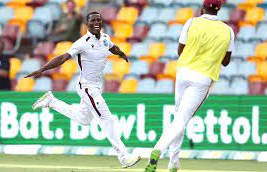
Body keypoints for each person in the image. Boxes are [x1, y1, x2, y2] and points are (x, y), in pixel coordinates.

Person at [25, 11, 141, 168]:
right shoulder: (82, 42)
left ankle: (52, 102)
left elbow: (113, 47)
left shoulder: (105, 38)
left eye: (99, 20)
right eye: (93, 20)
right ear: (87, 24)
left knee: (84, 119)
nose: (96, 22)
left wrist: (122, 54)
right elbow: (63, 57)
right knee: (106, 118)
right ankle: (123, 156)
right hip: (87, 87)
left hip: (96, 87)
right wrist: (42, 69)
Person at [144, 0, 235, 172]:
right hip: (203, 78)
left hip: (183, 73)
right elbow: (226, 61)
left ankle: (174, 163)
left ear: (203, 7)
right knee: (181, 119)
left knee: (179, 117)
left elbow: (180, 51)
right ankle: (158, 149)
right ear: (219, 9)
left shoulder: (191, 22)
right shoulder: (228, 31)